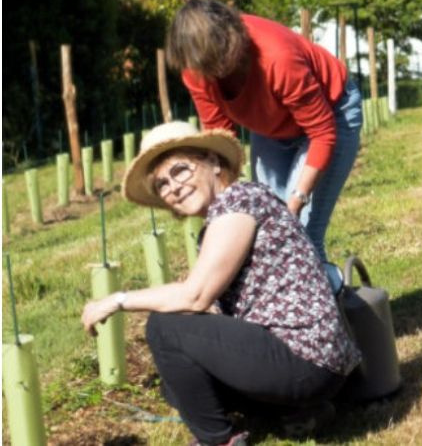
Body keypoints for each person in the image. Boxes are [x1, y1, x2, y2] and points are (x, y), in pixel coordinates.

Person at [81, 122, 360, 446]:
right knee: (177, 386)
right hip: (314, 361)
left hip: (305, 357)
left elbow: (196, 296)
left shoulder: (239, 201)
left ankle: (219, 441)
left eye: (180, 170)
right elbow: (205, 300)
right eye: (162, 184)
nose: (173, 187)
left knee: (163, 329)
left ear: (213, 162)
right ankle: (297, 412)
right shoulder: (226, 215)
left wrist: (117, 300)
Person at [169, 0, 361, 289]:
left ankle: (332, 324)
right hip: (270, 127)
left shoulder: (277, 56)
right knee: (265, 235)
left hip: (332, 114)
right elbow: (220, 136)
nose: (206, 74)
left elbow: (322, 132)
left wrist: (296, 200)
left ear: (230, 42)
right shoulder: (196, 67)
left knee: (302, 234)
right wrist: (222, 206)